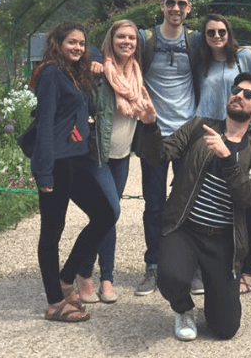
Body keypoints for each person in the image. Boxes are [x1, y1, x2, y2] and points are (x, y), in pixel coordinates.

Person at [136, 72, 251, 341]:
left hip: (223, 241)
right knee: (171, 277)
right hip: (185, 228)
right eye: (235, 89)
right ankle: (184, 309)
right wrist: (150, 126)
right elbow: (158, 156)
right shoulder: (199, 126)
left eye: (248, 94)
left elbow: (250, 197)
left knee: (224, 329)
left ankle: (217, 297)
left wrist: (227, 157)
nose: (238, 95)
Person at [29, 21, 117, 323]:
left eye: (82, 43)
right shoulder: (52, 74)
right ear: (57, 43)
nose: (78, 48)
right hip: (55, 162)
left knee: (106, 214)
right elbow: (44, 124)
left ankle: (67, 277)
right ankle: (54, 302)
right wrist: (43, 172)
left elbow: (95, 52)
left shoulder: (73, 73)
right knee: (52, 231)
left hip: (75, 160)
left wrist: (91, 57)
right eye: (72, 43)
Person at [74, 20, 156, 304]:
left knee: (108, 216)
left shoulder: (136, 73)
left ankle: (106, 278)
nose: (127, 42)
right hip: (98, 156)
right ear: (111, 39)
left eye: (132, 37)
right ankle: (84, 272)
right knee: (110, 212)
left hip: (122, 157)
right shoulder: (98, 71)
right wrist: (95, 61)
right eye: (121, 36)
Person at [195, 13, 251, 295]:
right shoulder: (200, 61)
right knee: (212, 200)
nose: (217, 37)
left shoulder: (244, 58)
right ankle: (210, 264)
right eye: (211, 32)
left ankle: (247, 269)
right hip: (215, 132)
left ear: (230, 33)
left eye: (222, 32)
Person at [134, 0, 203, 296]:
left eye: (182, 4)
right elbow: (112, 45)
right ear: (162, 7)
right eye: (171, 3)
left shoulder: (197, 40)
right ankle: (154, 265)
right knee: (153, 203)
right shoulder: (145, 39)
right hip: (155, 133)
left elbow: (229, 46)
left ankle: (193, 266)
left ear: (189, 9)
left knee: (192, 202)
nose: (176, 9)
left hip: (187, 133)